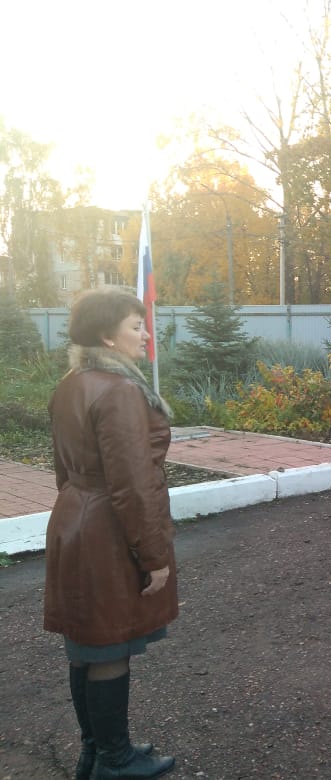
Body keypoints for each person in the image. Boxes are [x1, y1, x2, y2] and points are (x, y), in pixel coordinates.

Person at [44, 288, 177, 780]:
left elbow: (63, 468)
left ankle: (97, 751)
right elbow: (133, 484)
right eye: (135, 326)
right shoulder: (119, 390)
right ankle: (115, 761)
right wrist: (154, 555)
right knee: (109, 646)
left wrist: (79, 507)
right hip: (108, 533)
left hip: (74, 519)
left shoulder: (71, 383)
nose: (145, 335)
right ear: (106, 336)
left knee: (87, 644)